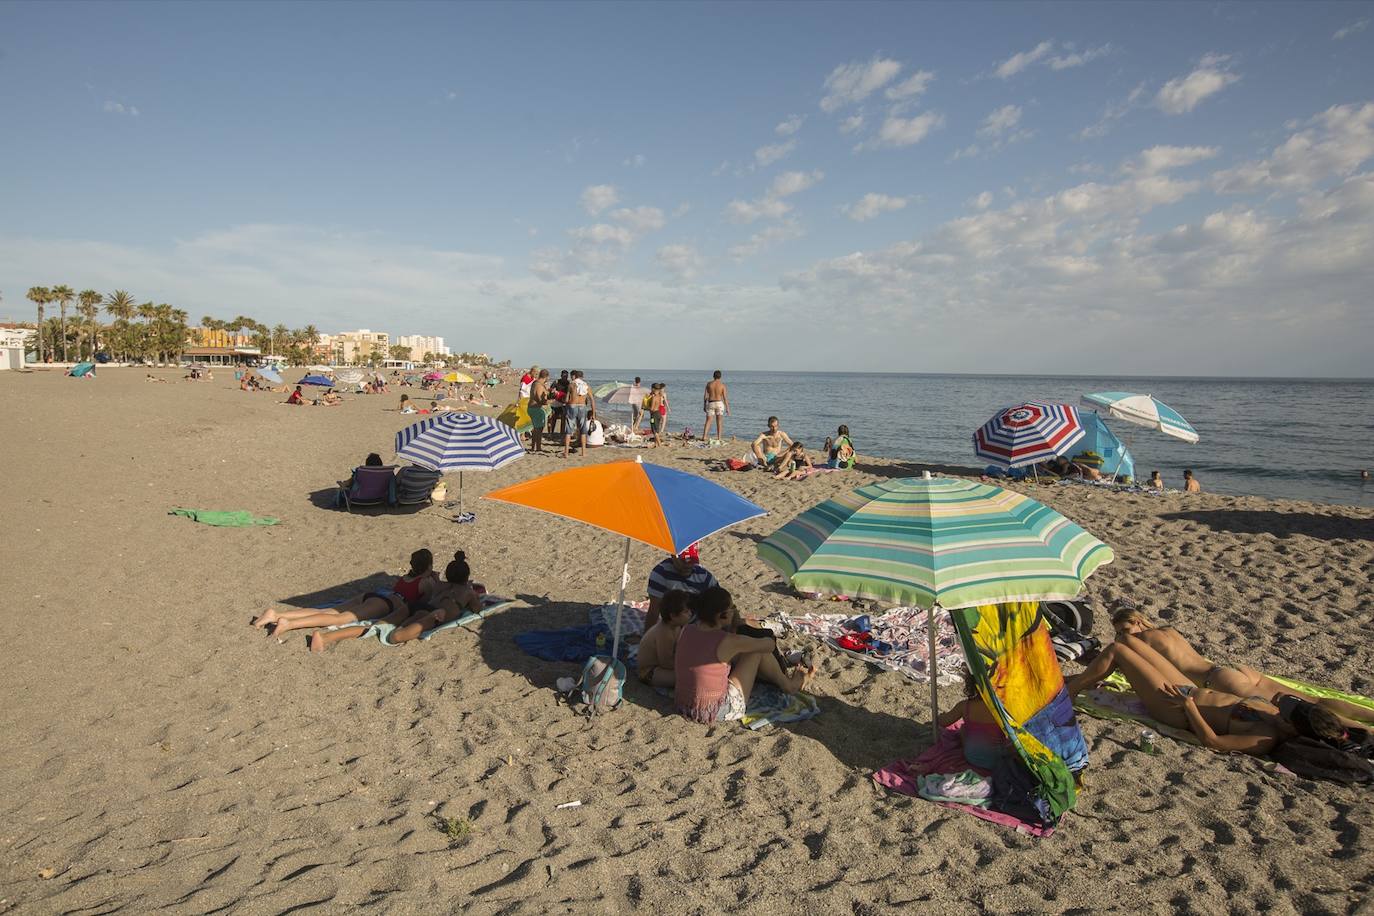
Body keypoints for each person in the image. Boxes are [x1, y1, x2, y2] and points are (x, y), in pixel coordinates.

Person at [1067, 633, 1350, 757]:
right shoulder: (1277, 715)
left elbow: (1213, 742)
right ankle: (1084, 681)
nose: (1282, 712)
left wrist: (1189, 706)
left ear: (1292, 728)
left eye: (1287, 716)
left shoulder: (1265, 736)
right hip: (1189, 690)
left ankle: (1069, 693)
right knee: (1127, 640)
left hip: (1177, 709)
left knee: (1118, 653)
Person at [1111, 604, 1374, 728]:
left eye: (1126, 629)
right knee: (1310, 701)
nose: (1125, 636)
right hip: (1227, 671)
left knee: (1298, 713)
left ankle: (1361, 732)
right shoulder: (1167, 630)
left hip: (1217, 682)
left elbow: (1134, 663)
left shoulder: (1143, 639)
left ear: (1139, 622)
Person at [674, 587, 815, 723]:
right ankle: (789, 686)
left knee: (740, 654)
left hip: (684, 704)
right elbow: (769, 645)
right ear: (720, 615)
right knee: (755, 653)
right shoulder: (727, 640)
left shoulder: (687, 629)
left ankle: (783, 682)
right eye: (731, 608)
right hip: (715, 710)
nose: (734, 610)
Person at [251, 548, 438, 637]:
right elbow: (427, 601)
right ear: (428, 566)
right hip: (385, 604)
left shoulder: (405, 577)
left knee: (330, 611)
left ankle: (276, 614)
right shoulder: (425, 583)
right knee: (338, 619)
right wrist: (434, 579)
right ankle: (287, 624)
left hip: (374, 596)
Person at [385, 551, 485, 645]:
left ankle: (379, 624)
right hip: (435, 616)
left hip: (420, 607)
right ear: (467, 577)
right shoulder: (468, 592)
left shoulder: (440, 584)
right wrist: (474, 596)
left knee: (394, 626)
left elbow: (438, 586)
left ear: (447, 574)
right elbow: (478, 609)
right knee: (395, 638)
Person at [937, 670, 1011, 770]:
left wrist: (940, 717)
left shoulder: (965, 706)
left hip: (972, 757)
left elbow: (944, 722)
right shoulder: (1002, 709)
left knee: (963, 729)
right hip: (998, 759)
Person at [644, 544, 717, 630]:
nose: (688, 565)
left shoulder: (704, 576)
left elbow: (722, 601)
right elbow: (654, 610)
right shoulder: (661, 574)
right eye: (684, 561)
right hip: (672, 626)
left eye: (691, 561)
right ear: (673, 556)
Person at [638, 590, 691, 688]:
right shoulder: (665, 632)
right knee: (686, 678)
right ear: (673, 616)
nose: (690, 614)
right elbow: (666, 663)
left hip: (662, 666)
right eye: (686, 612)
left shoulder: (677, 626)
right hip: (649, 671)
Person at [563, 370, 591, 458]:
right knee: (583, 430)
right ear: (582, 377)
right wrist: (593, 413)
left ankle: (566, 453)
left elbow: (567, 399)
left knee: (568, 430)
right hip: (582, 406)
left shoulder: (571, 384)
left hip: (572, 406)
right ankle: (583, 452)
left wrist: (565, 401)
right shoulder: (586, 385)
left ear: (575, 376)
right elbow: (592, 401)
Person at [528, 369, 551, 453]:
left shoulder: (536, 383)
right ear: (546, 377)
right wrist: (550, 401)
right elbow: (539, 399)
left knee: (536, 428)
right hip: (536, 408)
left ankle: (533, 447)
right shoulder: (539, 385)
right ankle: (538, 447)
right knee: (539, 429)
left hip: (532, 408)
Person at [703, 370, 729, 443]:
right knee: (719, 421)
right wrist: (727, 408)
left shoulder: (709, 384)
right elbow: (725, 398)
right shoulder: (722, 385)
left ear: (713, 376)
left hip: (711, 403)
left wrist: (704, 405)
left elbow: (705, 396)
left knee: (708, 421)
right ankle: (719, 438)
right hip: (719, 403)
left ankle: (704, 436)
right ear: (720, 377)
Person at [647, 383, 669, 448]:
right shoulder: (660, 396)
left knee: (654, 431)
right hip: (659, 413)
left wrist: (647, 408)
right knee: (657, 430)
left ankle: (659, 445)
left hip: (654, 415)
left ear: (653, 389)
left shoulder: (654, 397)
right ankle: (656, 444)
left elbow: (652, 409)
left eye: (651, 388)